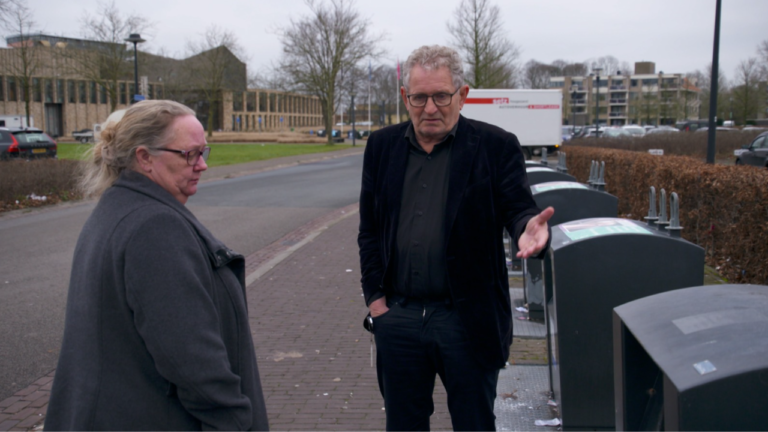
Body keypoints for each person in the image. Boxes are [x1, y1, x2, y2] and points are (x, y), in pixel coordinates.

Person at [358, 45, 554, 431]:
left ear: (462, 95)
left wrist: (529, 227)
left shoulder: (495, 146)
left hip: (467, 320)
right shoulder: (381, 147)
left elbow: (518, 209)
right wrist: (377, 303)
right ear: (405, 97)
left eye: (441, 96)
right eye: (419, 97)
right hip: (400, 318)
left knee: (474, 423)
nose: (429, 108)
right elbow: (370, 230)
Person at [45, 100, 269, 431]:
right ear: (144, 158)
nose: (203, 165)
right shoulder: (154, 227)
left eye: (204, 151)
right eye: (190, 154)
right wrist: (234, 421)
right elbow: (192, 361)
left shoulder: (116, 209)